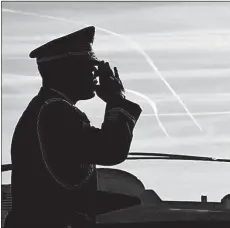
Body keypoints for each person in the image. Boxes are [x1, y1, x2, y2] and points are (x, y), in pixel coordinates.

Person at [5, 26, 142, 228]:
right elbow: (111, 150)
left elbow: (59, 190)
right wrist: (116, 100)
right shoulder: (55, 112)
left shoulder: (48, 108)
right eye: (89, 65)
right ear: (68, 71)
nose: (96, 72)